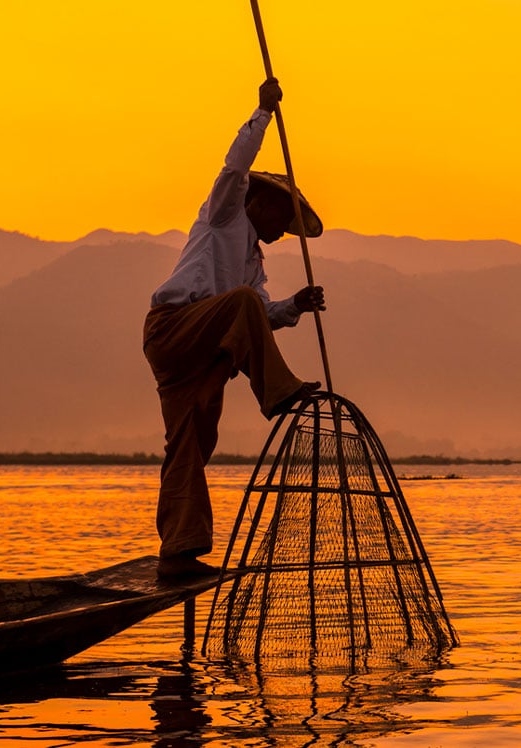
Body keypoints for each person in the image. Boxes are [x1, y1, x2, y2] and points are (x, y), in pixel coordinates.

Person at [143, 78, 326, 579]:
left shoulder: (252, 266)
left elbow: (259, 316)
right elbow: (234, 166)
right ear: (261, 204)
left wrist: (296, 305)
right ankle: (278, 393)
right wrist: (263, 111)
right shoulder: (225, 216)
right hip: (174, 330)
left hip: (203, 354)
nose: (282, 233)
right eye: (281, 221)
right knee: (241, 303)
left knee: (191, 445)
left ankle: (178, 549)